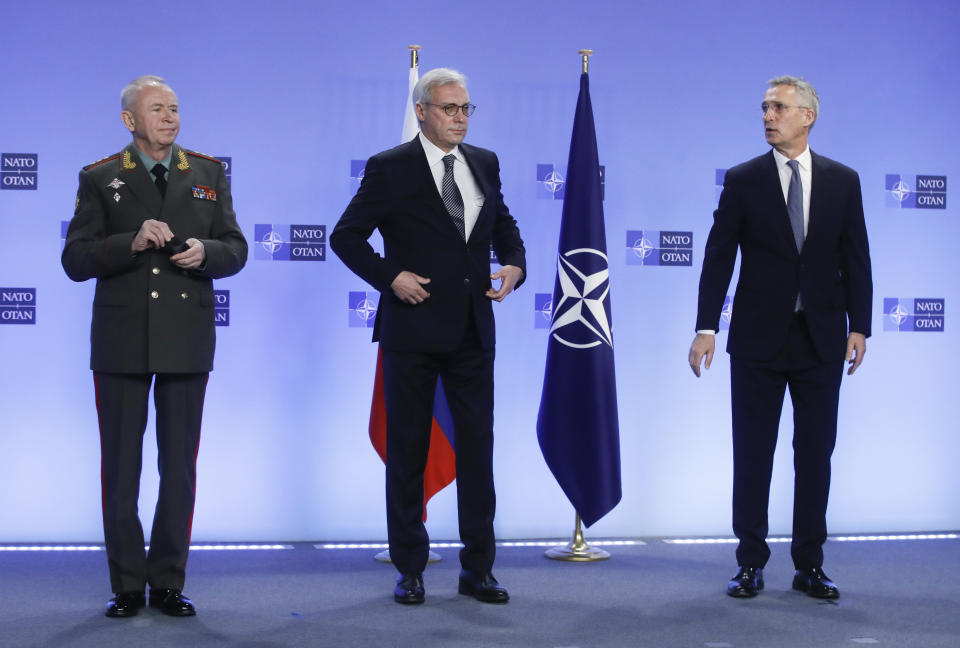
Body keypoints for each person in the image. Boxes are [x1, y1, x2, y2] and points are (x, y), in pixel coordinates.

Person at [330, 68, 526, 605]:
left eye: (465, 108)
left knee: (478, 454)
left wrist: (515, 263)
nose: (459, 118)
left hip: (471, 332)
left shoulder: (484, 162)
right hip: (411, 331)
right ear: (422, 111)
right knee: (409, 452)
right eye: (448, 109)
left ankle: (478, 569)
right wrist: (389, 276)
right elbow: (345, 237)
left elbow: (504, 225)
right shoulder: (389, 168)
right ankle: (410, 568)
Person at [62, 75, 247, 617]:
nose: (169, 117)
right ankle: (125, 585)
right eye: (157, 109)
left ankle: (167, 582)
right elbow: (75, 260)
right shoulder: (100, 177)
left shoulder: (209, 172)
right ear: (129, 121)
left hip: (186, 339)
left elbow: (235, 248)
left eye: (174, 108)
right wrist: (130, 242)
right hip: (121, 342)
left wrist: (206, 253)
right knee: (120, 469)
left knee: (179, 468)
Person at [688, 76, 872, 600]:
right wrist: (706, 327)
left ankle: (809, 564)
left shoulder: (843, 179)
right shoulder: (744, 179)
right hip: (756, 341)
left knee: (816, 453)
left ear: (808, 116)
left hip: (820, 339)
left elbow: (856, 256)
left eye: (779, 107)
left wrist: (860, 325)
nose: (768, 116)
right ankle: (750, 563)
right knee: (753, 453)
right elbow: (719, 255)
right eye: (765, 108)